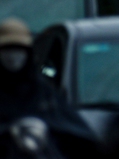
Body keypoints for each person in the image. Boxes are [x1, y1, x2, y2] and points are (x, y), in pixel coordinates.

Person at [0, 19, 98, 158]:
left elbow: (77, 135)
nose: (12, 58)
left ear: (28, 53)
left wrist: (41, 130)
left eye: (18, 51)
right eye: (7, 51)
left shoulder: (44, 93)